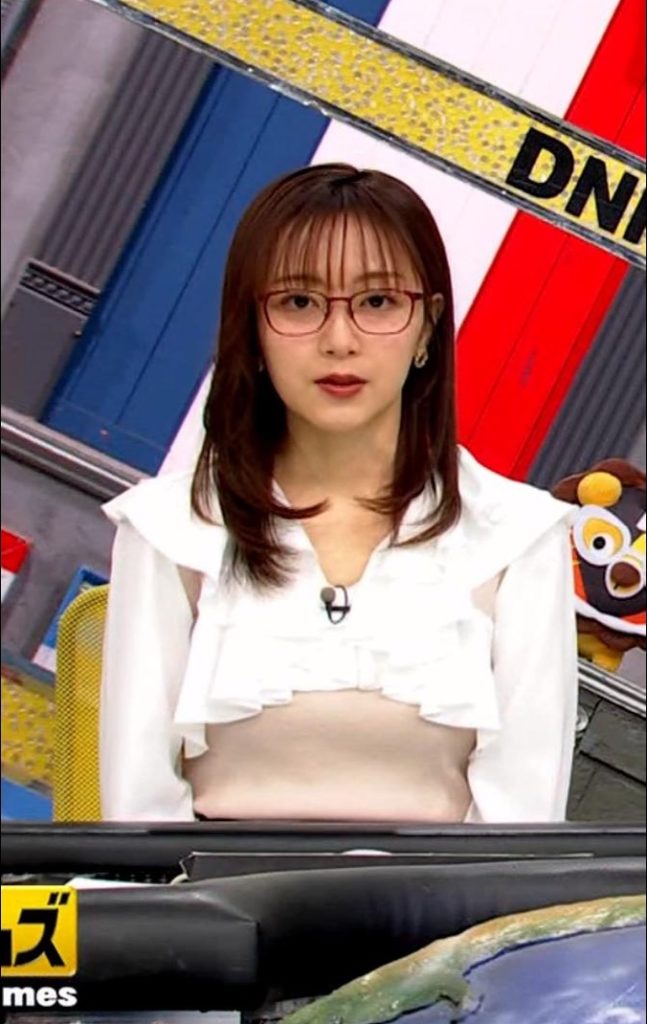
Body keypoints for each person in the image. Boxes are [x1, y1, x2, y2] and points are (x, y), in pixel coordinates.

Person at [99, 163, 578, 823]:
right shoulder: (168, 527)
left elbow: (519, 818)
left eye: (377, 302)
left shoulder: (517, 536)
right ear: (252, 327)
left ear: (428, 326)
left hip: (440, 889)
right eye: (299, 302)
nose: (339, 341)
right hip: (212, 884)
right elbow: (137, 809)